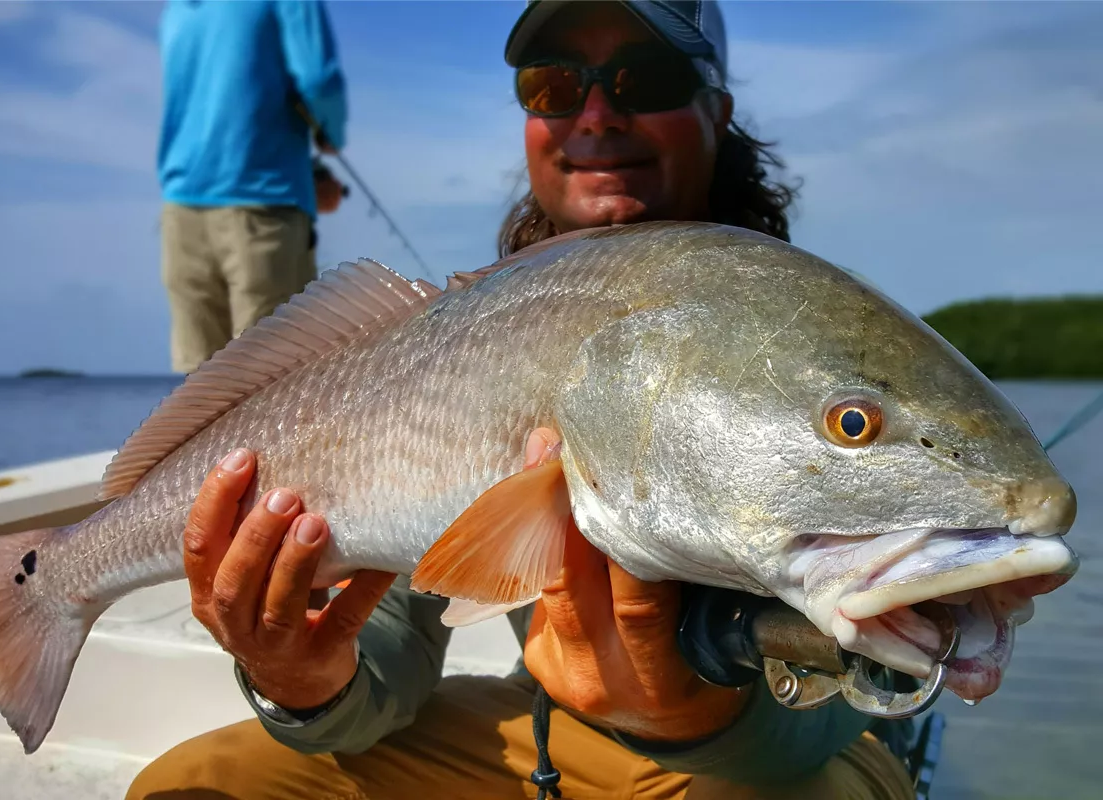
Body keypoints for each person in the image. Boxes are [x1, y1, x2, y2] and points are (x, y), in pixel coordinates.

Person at [127, 2, 917, 798]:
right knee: (192, 786)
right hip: (549, 733)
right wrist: (305, 680)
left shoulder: (822, 346)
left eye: (647, 78)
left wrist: (701, 718)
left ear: (717, 111)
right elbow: (388, 659)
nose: (597, 115)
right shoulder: (474, 342)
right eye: (553, 86)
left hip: (786, 760)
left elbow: (877, 682)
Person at [157, 0, 349, 375]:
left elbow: (218, 110)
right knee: (276, 383)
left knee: (196, 393)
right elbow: (318, 80)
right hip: (265, 211)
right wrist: (330, 134)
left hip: (180, 213)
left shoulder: (178, 10)